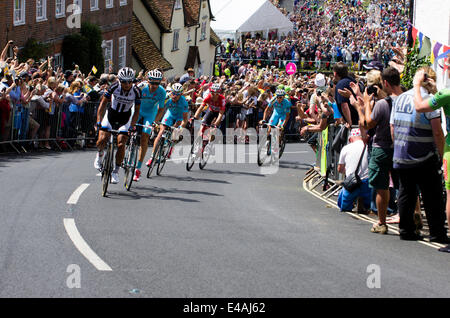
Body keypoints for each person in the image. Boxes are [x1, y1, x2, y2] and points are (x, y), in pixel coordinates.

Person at [390, 66, 449, 243]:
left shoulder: (399, 98)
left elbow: (392, 127)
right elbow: (437, 132)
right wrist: (440, 154)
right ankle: (437, 232)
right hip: (424, 154)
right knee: (433, 196)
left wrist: (398, 147)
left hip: (402, 152)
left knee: (406, 193)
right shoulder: (428, 99)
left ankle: (406, 230)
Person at [413, 63, 450, 252]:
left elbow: (420, 107)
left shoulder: (447, 93)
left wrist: (416, 85)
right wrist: (435, 90)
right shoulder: (444, 93)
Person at [94, 67, 141, 184]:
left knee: (121, 144)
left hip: (125, 118)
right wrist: (99, 121)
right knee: (102, 139)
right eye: (124, 81)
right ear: (120, 80)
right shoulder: (114, 87)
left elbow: (137, 111)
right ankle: (100, 154)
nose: (127, 84)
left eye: (130, 81)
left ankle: (115, 171)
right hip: (111, 114)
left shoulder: (136, 91)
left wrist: (132, 125)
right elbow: (103, 104)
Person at [132, 69, 166, 181]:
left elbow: (161, 109)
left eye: (158, 83)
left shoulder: (161, 92)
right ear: (148, 81)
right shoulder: (141, 87)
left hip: (150, 114)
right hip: (138, 110)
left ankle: (138, 168)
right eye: (153, 83)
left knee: (145, 137)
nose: (155, 85)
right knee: (128, 131)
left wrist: (155, 122)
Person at [147, 83, 189, 167]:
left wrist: (181, 127)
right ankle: (152, 157)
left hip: (179, 117)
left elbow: (185, 119)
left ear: (181, 94)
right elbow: (160, 110)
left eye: (177, 94)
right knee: (161, 132)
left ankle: (171, 144)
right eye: (173, 93)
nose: (174, 96)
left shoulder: (184, 102)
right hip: (169, 115)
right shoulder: (167, 98)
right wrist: (155, 121)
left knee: (175, 132)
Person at [337, 128, 370, 212]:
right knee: (369, 204)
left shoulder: (346, 148)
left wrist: (348, 172)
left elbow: (340, 169)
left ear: (350, 138)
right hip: (367, 183)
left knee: (343, 207)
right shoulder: (369, 146)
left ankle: (351, 205)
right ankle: (366, 207)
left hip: (352, 184)